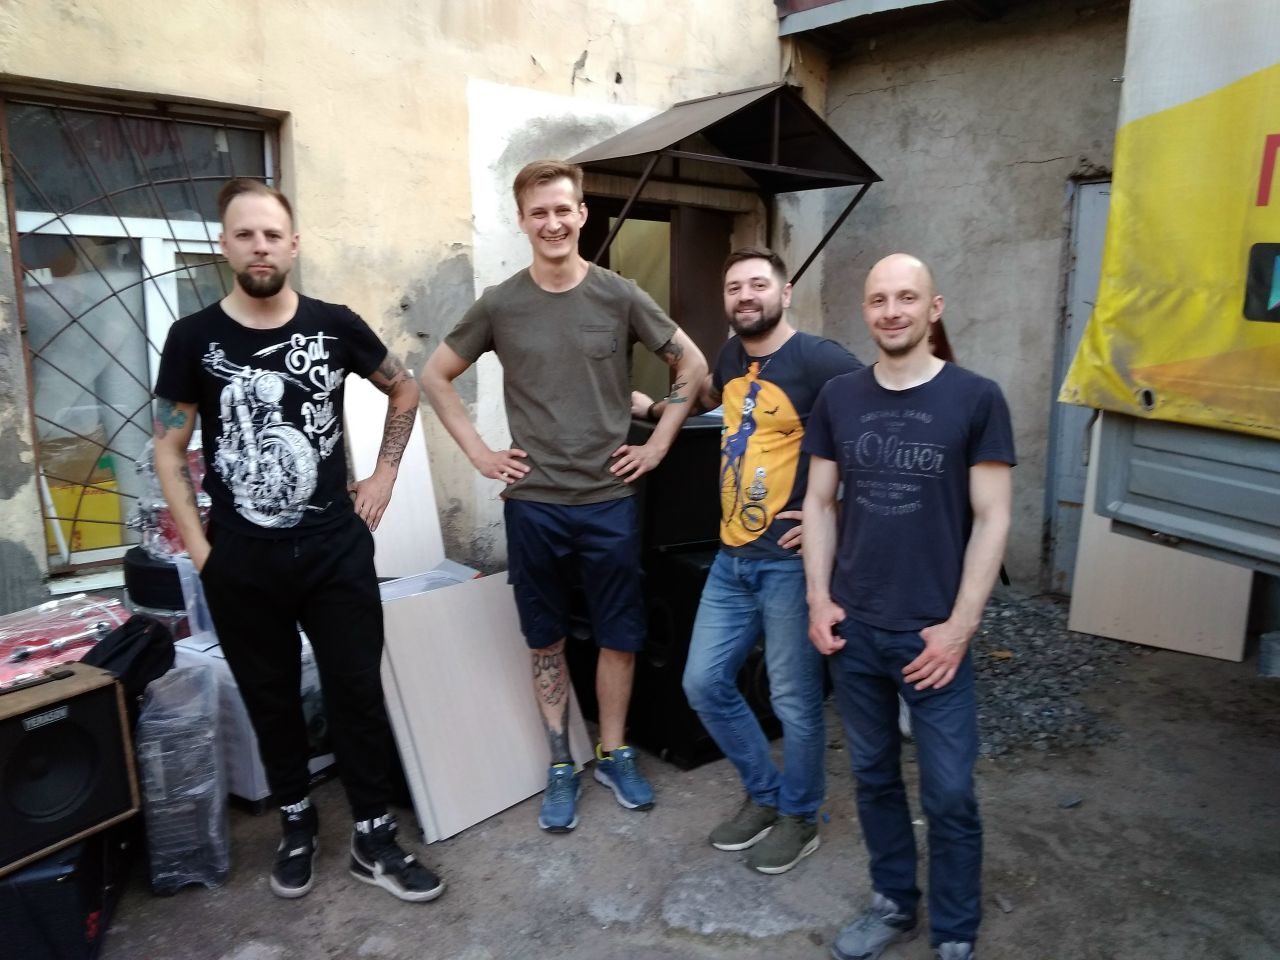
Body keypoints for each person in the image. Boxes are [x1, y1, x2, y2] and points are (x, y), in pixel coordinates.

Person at [152, 178, 443, 904]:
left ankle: (374, 836)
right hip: (241, 559)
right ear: (226, 245)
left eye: (272, 234)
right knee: (271, 697)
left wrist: (383, 475)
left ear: (293, 245)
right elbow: (168, 444)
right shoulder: (192, 338)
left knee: (355, 693)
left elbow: (404, 388)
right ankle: (295, 820)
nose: (260, 247)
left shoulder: (334, 325)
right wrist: (202, 552)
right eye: (245, 234)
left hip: (334, 549)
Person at [420, 159, 707, 832]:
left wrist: (659, 445)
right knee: (545, 639)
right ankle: (559, 762)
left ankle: (614, 752)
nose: (552, 223)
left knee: (620, 636)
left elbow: (691, 363)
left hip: (609, 500)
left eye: (562, 209)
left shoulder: (619, 295)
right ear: (523, 221)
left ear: (582, 214)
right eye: (538, 212)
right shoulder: (501, 304)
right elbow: (435, 376)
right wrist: (481, 454)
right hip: (535, 504)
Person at [802, 253, 1014, 960]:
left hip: (933, 635)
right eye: (878, 299)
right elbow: (819, 503)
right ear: (865, 310)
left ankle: (954, 928)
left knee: (949, 791)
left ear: (934, 308)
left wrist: (960, 628)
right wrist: (819, 599)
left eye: (906, 298)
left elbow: (993, 517)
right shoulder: (839, 397)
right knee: (872, 776)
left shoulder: (976, 398)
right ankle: (894, 902)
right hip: (855, 628)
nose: (891, 311)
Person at [633, 247, 862, 874]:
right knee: (703, 684)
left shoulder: (821, 360)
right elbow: (716, 406)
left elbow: (878, 423)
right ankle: (765, 795)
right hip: (731, 558)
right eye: (734, 287)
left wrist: (837, 512)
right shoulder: (734, 356)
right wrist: (652, 410)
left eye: (758, 284)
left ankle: (801, 815)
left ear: (785, 294)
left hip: (788, 563)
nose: (745, 296)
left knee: (793, 700)